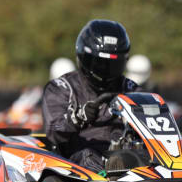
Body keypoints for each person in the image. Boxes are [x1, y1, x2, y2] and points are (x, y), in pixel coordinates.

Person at [41, 19, 140, 173]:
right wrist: (78, 117)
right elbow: (53, 130)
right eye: (100, 64)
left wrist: (137, 117)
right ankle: (110, 177)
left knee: (142, 152)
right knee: (88, 156)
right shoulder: (62, 88)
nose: (106, 72)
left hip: (124, 154)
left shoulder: (131, 89)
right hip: (77, 163)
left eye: (113, 65)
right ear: (84, 57)